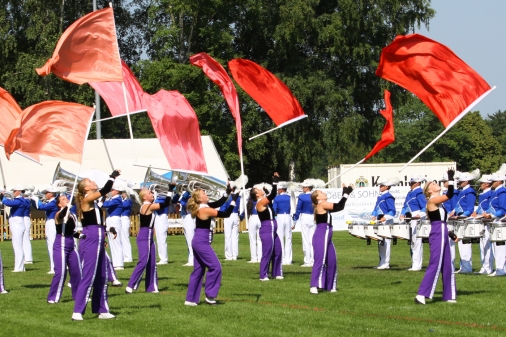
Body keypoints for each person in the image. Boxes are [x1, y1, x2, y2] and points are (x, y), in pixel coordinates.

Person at [71, 169, 121, 321]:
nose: (93, 182)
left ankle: (102, 309)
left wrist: (107, 230)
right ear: (86, 188)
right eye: (90, 182)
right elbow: (105, 190)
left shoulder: (91, 201)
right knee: (89, 275)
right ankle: (77, 311)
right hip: (91, 237)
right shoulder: (86, 199)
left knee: (102, 275)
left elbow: (97, 221)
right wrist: (112, 177)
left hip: (97, 235)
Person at [185, 186, 236, 306]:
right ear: (200, 198)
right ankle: (210, 296)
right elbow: (226, 214)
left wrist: (227, 193)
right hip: (201, 240)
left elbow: (218, 202)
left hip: (198, 239)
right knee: (216, 267)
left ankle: (190, 299)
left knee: (198, 270)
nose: (206, 194)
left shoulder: (203, 207)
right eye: (204, 193)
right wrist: (233, 200)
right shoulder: (205, 210)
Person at [415, 169, 457, 305]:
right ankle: (421, 294)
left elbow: (440, 220)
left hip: (442, 230)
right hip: (438, 232)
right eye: (432, 183)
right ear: (429, 190)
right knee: (435, 263)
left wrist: (450, 233)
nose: (435, 183)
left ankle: (449, 295)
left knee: (447, 264)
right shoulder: (432, 201)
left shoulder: (438, 203)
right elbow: (450, 194)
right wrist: (451, 178)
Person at [125, 187, 176, 294]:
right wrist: (170, 190)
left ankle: (151, 287)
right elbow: (165, 203)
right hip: (145, 235)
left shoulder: (147, 205)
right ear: (144, 197)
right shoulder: (147, 205)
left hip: (148, 235)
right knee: (143, 261)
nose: (152, 194)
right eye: (149, 193)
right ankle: (130, 285)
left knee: (152, 262)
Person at [309, 184, 352, 294]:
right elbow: (339, 206)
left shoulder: (323, 205)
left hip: (327, 235)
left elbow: (338, 207)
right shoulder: (321, 204)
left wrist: (345, 193)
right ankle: (314, 285)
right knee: (320, 260)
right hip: (321, 234)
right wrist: (346, 194)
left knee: (332, 260)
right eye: (321, 193)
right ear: (318, 198)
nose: (324, 193)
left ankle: (330, 286)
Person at [47, 194, 82, 303]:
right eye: (63, 199)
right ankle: (53, 297)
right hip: (60, 243)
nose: (66, 199)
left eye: (66, 198)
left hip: (71, 243)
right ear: (59, 204)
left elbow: (74, 233)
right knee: (61, 272)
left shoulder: (72, 215)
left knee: (77, 271)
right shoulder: (59, 213)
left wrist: (85, 236)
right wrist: (68, 206)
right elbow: (61, 216)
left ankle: (79, 296)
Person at [253, 177, 283, 281]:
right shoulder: (260, 203)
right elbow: (273, 195)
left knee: (278, 250)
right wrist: (274, 182)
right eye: (259, 190)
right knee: (267, 252)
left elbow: (270, 202)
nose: (261, 190)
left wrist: (266, 191)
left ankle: (277, 273)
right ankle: (263, 275)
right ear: (257, 194)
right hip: (267, 228)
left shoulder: (264, 201)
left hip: (272, 227)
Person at [400, 174, 427, 271]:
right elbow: (405, 205)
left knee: (416, 242)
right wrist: (402, 213)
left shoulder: (419, 192)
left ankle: (417, 265)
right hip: (409, 217)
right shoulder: (410, 193)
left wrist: (420, 215)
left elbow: (424, 206)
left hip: (416, 217)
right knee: (412, 242)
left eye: (412, 183)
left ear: (417, 183)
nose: (410, 184)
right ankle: (414, 264)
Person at [482, 170, 506, 277]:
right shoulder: (496, 191)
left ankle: (501, 269)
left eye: (494, 181)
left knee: (500, 247)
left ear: (500, 181)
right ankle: (499, 268)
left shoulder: (502, 192)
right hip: (496, 220)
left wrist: (491, 216)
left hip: (499, 220)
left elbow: (503, 209)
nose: (492, 183)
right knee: (496, 247)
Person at [371, 178, 399, 270]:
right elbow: (376, 208)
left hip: (386, 221)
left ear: (387, 187)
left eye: (382, 186)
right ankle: (381, 262)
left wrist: (385, 217)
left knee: (386, 242)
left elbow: (392, 211)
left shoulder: (388, 196)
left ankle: (386, 263)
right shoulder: (380, 196)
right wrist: (374, 215)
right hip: (380, 220)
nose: (380, 187)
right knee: (380, 242)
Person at [452, 171, 477, 274]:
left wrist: (462, 216)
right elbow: (458, 205)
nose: (459, 183)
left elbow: (470, 208)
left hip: (464, 219)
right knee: (461, 244)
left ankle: (467, 267)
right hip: (459, 218)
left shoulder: (470, 191)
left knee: (465, 244)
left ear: (466, 181)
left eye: (461, 181)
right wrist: (454, 213)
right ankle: (464, 267)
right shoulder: (462, 191)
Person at [32, 186, 60, 274]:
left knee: (52, 245)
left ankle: (54, 267)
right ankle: (54, 266)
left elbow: (41, 207)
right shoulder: (52, 201)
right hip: (50, 222)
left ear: (51, 194)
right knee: (50, 244)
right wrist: (33, 200)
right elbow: (38, 207)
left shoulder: (54, 202)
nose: (45, 195)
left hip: (52, 222)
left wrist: (36, 199)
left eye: (46, 193)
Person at [1, 184, 27, 272]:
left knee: (17, 245)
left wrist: (2, 196)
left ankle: (19, 267)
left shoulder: (20, 200)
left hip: (17, 222)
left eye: (14, 191)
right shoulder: (20, 200)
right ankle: (20, 267)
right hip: (17, 222)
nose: (13, 193)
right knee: (17, 245)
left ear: (19, 191)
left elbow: (8, 203)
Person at [472, 174, 494, 275]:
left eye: (482, 183)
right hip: (482, 219)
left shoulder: (490, 193)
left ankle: (488, 267)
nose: (480, 184)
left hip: (488, 220)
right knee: (482, 245)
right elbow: (481, 206)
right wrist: (476, 212)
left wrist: (485, 214)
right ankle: (484, 266)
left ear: (487, 184)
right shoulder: (483, 193)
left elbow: (490, 207)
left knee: (487, 245)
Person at [293, 180, 316, 267]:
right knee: (312, 240)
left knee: (306, 240)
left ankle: (307, 260)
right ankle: (313, 260)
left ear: (307, 188)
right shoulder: (314, 196)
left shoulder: (302, 197)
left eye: (303, 187)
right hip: (313, 217)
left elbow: (298, 209)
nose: (302, 188)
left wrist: (294, 221)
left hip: (305, 217)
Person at [102, 184, 124, 270]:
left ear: (117, 191)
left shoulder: (117, 199)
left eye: (112, 190)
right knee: (112, 241)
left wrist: (105, 198)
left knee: (116, 240)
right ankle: (115, 262)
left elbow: (105, 205)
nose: (110, 192)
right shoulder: (114, 198)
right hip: (110, 219)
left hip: (114, 219)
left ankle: (119, 263)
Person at [273, 183, 293, 265]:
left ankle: (281, 258)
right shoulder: (289, 197)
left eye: (278, 190)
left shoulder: (277, 198)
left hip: (280, 217)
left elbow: (274, 209)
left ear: (281, 190)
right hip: (288, 216)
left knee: (280, 238)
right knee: (288, 238)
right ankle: (288, 259)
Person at [221, 191, 241, 261]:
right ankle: (235, 255)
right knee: (235, 236)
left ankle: (229, 256)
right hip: (235, 215)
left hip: (228, 215)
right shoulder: (239, 197)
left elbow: (222, 208)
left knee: (228, 236)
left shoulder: (228, 197)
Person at [154, 192, 170, 265]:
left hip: (161, 217)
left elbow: (157, 204)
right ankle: (162, 258)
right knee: (159, 239)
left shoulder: (162, 198)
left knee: (161, 239)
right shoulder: (158, 198)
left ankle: (164, 259)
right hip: (159, 217)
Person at [179, 190, 194, 266]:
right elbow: (179, 200)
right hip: (188, 216)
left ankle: (192, 260)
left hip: (190, 216)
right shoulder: (188, 196)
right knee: (189, 240)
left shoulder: (193, 197)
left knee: (190, 240)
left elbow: (183, 202)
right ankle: (191, 259)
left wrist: (188, 190)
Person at [246, 191, 262, 263]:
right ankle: (260, 257)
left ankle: (254, 258)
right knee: (259, 239)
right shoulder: (260, 199)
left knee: (253, 239)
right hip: (259, 217)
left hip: (253, 217)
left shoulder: (250, 200)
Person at [120, 189, 133, 263]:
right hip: (121, 218)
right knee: (121, 238)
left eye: (123, 193)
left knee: (125, 237)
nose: (122, 195)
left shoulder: (128, 200)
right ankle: (124, 255)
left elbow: (123, 205)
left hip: (125, 218)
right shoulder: (123, 200)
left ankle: (128, 256)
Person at [22, 190, 33, 265]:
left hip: (25, 219)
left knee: (26, 239)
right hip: (24, 218)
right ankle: (25, 257)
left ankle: (28, 258)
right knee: (23, 239)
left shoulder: (26, 200)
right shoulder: (26, 200)